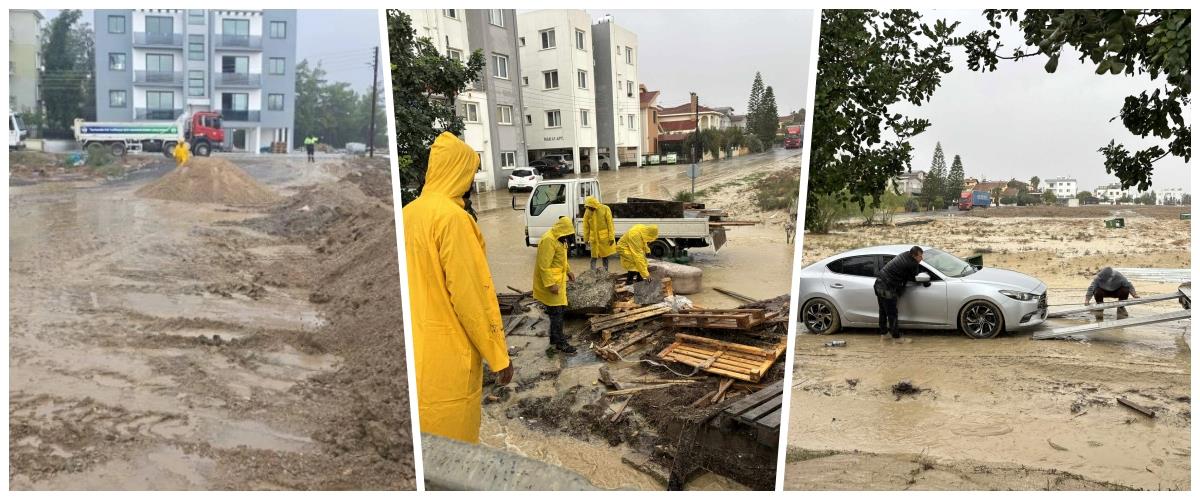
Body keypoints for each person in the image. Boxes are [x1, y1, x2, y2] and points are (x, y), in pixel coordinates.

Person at [403, 132, 513, 443]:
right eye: (471, 172)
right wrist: (499, 356)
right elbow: (472, 297)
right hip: (445, 361)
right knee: (452, 445)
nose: (472, 180)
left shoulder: (408, 213)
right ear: (458, 171)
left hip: (414, 350)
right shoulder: (453, 220)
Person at [534, 216, 578, 354]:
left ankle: (555, 337)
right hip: (551, 283)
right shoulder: (548, 240)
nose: (568, 239)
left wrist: (569, 271)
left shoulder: (561, 239)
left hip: (559, 280)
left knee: (559, 310)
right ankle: (560, 343)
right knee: (556, 313)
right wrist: (551, 284)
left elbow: (561, 259)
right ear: (562, 231)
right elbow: (543, 266)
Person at [874, 246, 925, 343]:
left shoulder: (906, 254)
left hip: (878, 284)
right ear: (914, 256)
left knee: (883, 311)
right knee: (892, 314)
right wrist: (926, 281)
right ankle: (897, 338)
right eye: (920, 256)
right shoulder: (912, 263)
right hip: (887, 288)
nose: (922, 258)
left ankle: (884, 334)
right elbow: (914, 278)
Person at [582, 196, 616, 271]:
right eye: (588, 207)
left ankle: (605, 271)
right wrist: (586, 239)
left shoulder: (605, 209)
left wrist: (611, 237)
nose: (590, 209)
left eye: (590, 207)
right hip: (594, 239)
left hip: (604, 238)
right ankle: (592, 272)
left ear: (594, 205)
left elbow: (610, 224)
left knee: (605, 256)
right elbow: (586, 226)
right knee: (593, 256)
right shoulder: (588, 211)